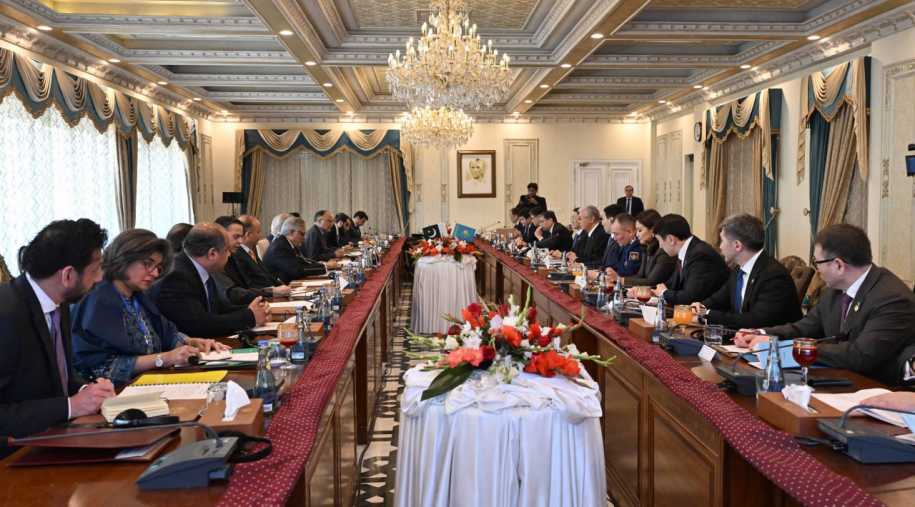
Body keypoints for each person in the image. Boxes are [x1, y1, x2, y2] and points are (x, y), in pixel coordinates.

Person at [734, 224, 915, 386]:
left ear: (838, 265)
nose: (817, 270)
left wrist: (791, 347)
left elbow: (860, 356)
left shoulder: (892, 299)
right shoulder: (836, 290)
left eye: (817, 262)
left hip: (875, 389)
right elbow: (805, 327)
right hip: (836, 378)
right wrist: (762, 334)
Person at [0, 219, 115, 450]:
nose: (100, 278)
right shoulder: (6, 316)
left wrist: (87, 391)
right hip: (16, 453)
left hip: (55, 436)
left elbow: (58, 377)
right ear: (68, 275)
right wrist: (72, 406)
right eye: (95, 270)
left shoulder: (57, 302)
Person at [71, 229, 230, 387]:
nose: (155, 273)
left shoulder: (137, 296)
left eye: (158, 267)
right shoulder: (97, 299)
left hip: (151, 383)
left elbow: (165, 333)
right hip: (111, 392)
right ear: (124, 257)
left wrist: (190, 342)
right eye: (147, 264)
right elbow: (102, 368)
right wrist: (164, 359)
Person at [152, 223, 268, 338]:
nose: (229, 255)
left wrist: (254, 310)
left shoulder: (201, 268)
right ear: (212, 254)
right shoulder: (177, 276)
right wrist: (249, 316)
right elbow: (199, 325)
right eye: (226, 250)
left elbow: (219, 310)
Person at [690, 214, 801, 330]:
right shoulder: (739, 269)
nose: (720, 247)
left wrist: (707, 315)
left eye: (722, 241)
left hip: (773, 339)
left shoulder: (774, 276)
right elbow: (719, 298)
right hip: (743, 337)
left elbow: (756, 321)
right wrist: (701, 306)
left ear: (737, 246)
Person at [652, 214, 728, 305]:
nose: (660, 246)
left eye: (659, 241)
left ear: (671, 239)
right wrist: (652, 292)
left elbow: (691, 297)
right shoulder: (688, 251)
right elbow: (672, 285)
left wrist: (664, 293)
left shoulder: (700, 255)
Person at [233, 215, 291, 296]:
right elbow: (251, 284)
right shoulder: (237, 255)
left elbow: (267, 275)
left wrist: (283, 286)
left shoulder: (251, 251)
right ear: (248, 234)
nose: (261, 236)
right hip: (262, 296)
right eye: (258, 232)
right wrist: (272, 291)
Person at [264, 216, 331, 284]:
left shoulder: (288, 243)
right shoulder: (279, 247)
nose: (304, 238)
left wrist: (322, 265)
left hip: (288, 283)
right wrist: (324, 267)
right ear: (291, 232)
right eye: (302, 234)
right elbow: (297, 271)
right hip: (279, 287)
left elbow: (303, 262)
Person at [622, 210, 676, 289]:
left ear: (653, 230)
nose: (637, 234)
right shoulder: (646, 248)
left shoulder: (664, 251)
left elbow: (652, 282)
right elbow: (640, 275)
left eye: (640, 230)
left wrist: (621, 280)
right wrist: (620, 280)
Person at [598, 213, 644, 281]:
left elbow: (629, 272)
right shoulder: (625, 245)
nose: (614, 238)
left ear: (630, 232)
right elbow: (614, 265)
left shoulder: (636, 248)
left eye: (616, 234)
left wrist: (613, 273)